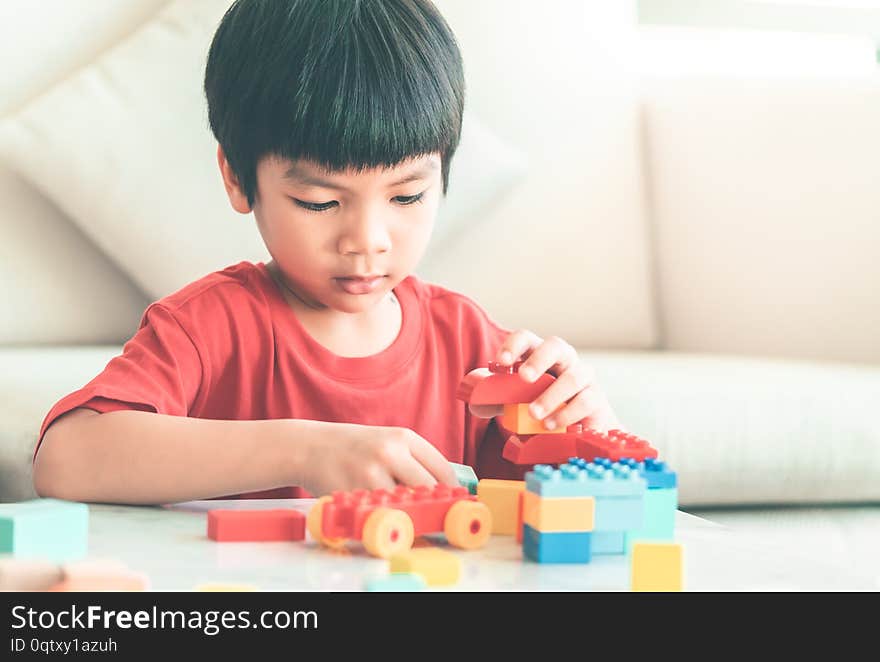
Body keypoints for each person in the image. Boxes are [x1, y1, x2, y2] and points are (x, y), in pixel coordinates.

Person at [33, 0, 620, 505]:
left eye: (408, 195)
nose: (367, 240)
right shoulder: (206, 329)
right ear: (238, 179)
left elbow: (569, 524)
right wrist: (306, 450)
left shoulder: (470, 344)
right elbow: (65, 458)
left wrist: (587, 431)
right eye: (319, 201)